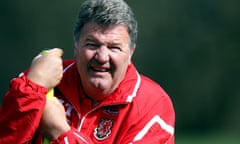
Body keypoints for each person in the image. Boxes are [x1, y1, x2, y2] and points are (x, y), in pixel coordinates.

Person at [0, 0, 175, 143]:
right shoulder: (41, 82)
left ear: (131, 53)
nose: (101, 57)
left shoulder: (152, 106)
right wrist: (32, 87)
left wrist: (60, 132)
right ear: (76, 46)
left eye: (114, 47)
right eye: (92, 44)